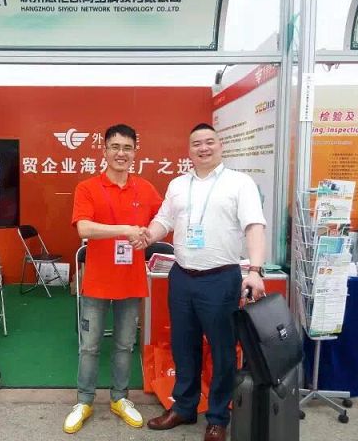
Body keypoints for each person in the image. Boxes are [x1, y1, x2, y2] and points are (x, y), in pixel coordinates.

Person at [141, 123, 266, 441]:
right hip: (182, 276)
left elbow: (254, 226)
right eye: (196, 143)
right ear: (189, 150)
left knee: (223, 350)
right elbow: (164, 219)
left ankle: (217, 418)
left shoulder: (239, 183)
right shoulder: (178, 184)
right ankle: (184, 407)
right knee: (184, 346)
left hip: (220, 279)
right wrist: (148, 235)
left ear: (221, 146)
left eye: (209, 142)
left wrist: (255, 270)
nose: (203, 148)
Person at [64, 124, 163, 434]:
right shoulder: (88, 188)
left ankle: (120, 398)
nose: (121, 153)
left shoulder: (145, 189)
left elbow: (162, 220)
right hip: (97, 282)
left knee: (124, 345)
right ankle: (84, 401)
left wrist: (147, 235)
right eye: (115, 147)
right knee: (89, 346)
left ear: (135, 152)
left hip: (131, 281)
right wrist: (125, 229)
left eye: (127, 148)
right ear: (104, 150)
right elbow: (84, 229)